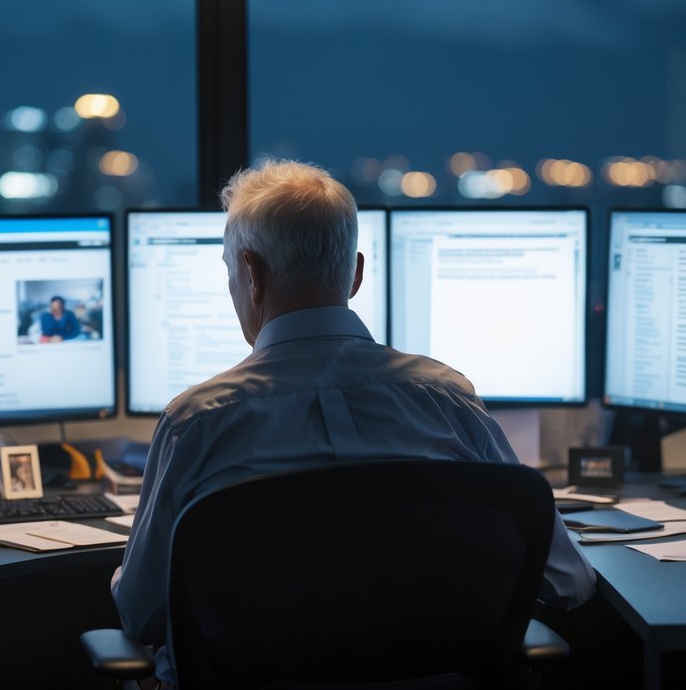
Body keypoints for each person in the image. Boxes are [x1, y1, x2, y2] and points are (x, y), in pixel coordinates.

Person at [111, 160, 596, 686]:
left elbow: (140, 618)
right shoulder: (448, 401)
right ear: (357, 272)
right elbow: (569, 582)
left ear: (250, 274)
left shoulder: (198, 423)